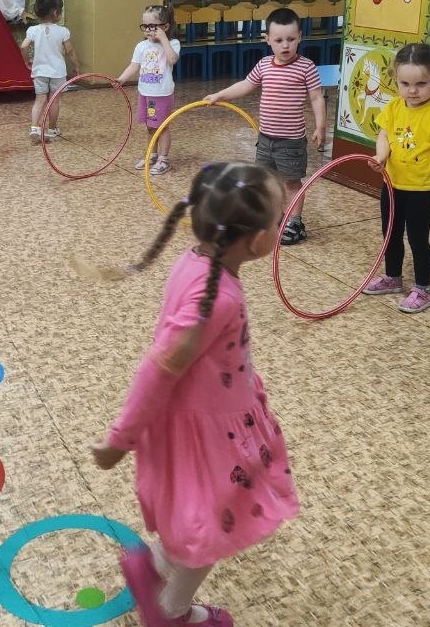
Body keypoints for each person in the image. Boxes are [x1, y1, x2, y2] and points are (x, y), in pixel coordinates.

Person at [92, 162, 299, 627]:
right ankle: (171, 613)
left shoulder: (195, 261)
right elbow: (158, 368)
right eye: (278, 217)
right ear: (258, 240)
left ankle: (154, 568)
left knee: (203, 517)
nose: (280, 223)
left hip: (215, 417)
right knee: (214, 528)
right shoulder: (219, 298)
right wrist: (120, 438)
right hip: (206, 436)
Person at [204, 7, 325, 245]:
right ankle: (275, 216)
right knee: (266, 181)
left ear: (300, 37)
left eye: (291, 39)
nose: (285, 45)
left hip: (290, 142)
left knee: (291, 182)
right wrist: (220, 95)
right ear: (267, 39)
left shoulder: (306, 67)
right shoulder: (264, 65)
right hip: (266, 139)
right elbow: (245, 85)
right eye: (279, 40)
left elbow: (316, 97)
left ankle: (295, 223)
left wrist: (320, 126)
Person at [363, 43, 430, 313]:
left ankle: (422, 289)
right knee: (390, 233)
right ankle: (392, 277)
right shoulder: (394, 107)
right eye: (405, 83)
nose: (412, 90)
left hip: (423, 189)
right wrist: (381, 156)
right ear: (396, 79)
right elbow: (384, 134)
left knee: (418, 238)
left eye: (421, 83)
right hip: (392, 185)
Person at [117, 5, 181, 175]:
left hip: (162, 94)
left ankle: (163, 159)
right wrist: (122, 79)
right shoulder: (141, 46)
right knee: (150, 126)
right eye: (144, 26)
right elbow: (134, 65)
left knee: (162, 127)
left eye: (151, 26)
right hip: (145, 93)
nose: (146, 30)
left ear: (165, 27)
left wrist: (164, 39)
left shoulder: (173, 43)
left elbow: (172, 59)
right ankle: (152, 154)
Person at [20, 0, 80, 143]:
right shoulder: (62, 31)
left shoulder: (33, 30)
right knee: (54, 100)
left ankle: (34, 127)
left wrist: (27, 61)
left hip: (39, 71)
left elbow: (23, 47)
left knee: (39, 99)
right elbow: (70, 51)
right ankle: (52, 129)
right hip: (57, 72)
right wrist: (76, 66)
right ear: (55, 13)